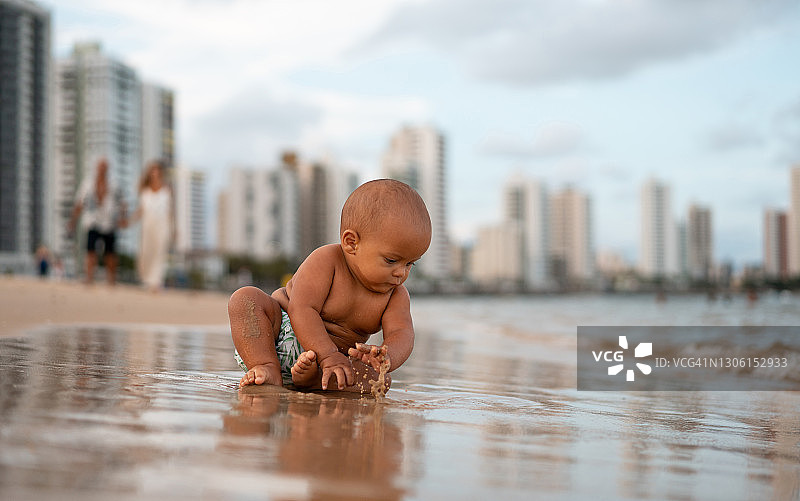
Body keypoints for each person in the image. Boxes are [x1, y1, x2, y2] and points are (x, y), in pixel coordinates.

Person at [228, 179, 431, 393]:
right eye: (391, 260)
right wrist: (327, 354)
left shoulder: (395, 295)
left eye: (410, 263)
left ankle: (312, 380)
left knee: (380, 382)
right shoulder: (327, 261)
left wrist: (387, 357)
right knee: (245, 299)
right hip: (276, 337)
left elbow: (402, 332)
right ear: (352, 243)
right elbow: (302, 308)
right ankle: (265, 366)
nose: (401, 273)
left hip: (332, 365)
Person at [68, 158, 127, 285]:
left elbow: (122, 203)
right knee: (90, 251)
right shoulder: (88, 184)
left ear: (108, 169)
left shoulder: (114, 184)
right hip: (92, 221)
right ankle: (89, 278)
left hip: (109, 222)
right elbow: (80, 203)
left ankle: (111, 280)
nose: (102, 169)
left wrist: (123, 218)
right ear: (96, 168)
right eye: (101, 167)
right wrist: (73, 221)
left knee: (110, 253)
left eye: (105, 167)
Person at [129, 160, 174, 292]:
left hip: (163, 225)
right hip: (148, 225)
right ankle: (146, 279)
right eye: (152, 170)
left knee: (160, 253)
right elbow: (141, 210)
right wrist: (130, 220)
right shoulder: (145, 190)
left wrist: (174, 228)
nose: (155, 173)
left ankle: (156, 282)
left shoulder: (167, 189)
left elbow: (171, 210)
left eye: (157, 170)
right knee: (145, 252)